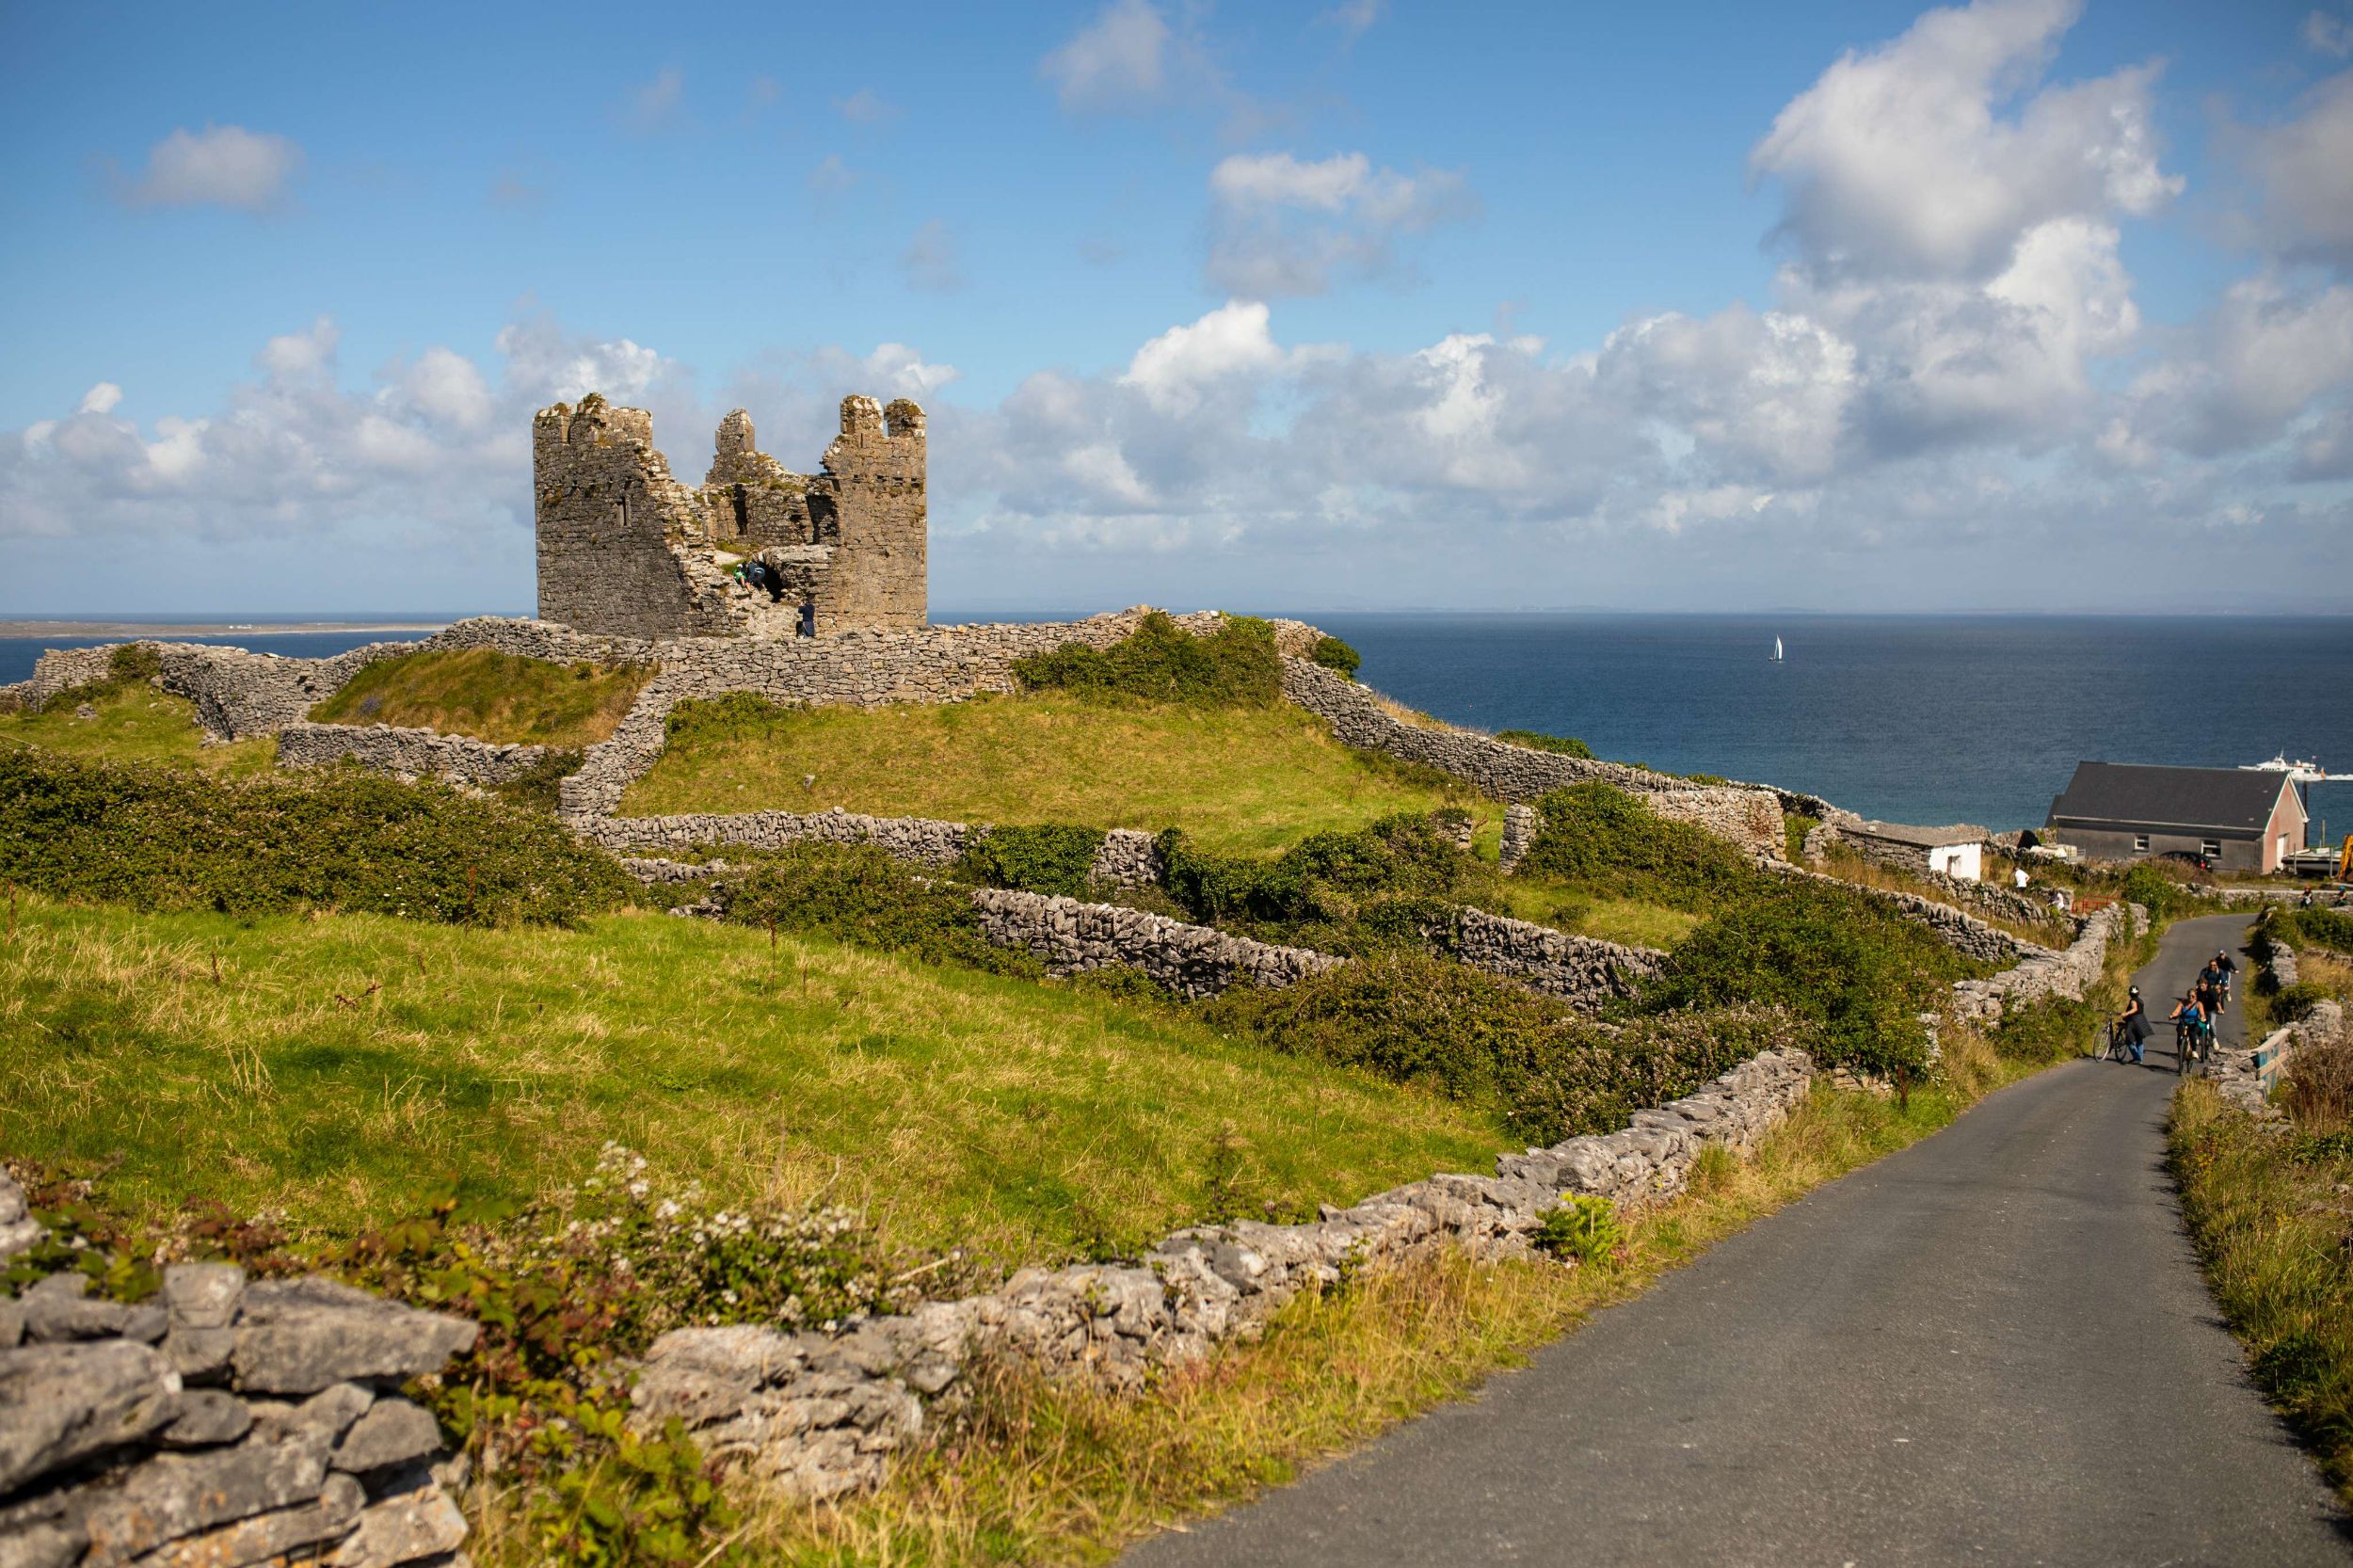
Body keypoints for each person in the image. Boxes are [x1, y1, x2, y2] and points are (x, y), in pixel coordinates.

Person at [2113, 985, 2152, 1064]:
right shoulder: (2140, 1001)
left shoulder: (2133, 1001)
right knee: (2139, 1040)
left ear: (2130, 993)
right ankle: (2139, 1059)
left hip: (2133, 1022)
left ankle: (2137, 1057)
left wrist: (2126, 1013)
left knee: (2129, 1040)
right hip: (2141, 1020)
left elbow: (2135, 1009)